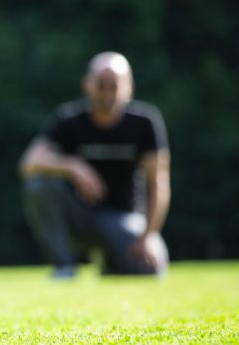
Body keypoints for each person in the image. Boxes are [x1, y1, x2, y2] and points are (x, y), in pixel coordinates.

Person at [19, 52, 170, 278]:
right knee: (39, 184)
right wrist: (73, 166)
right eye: (101, 85)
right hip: (80, 217)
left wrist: (147, 237)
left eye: (114, 85)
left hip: (124, 218)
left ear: (130, 87)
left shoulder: (144, 122)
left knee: (151, 269)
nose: (107, 92)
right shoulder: (69, 120)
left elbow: (159, 185)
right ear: (87, 85)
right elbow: (28, 163)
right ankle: (64, 265)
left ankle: (112, 261)